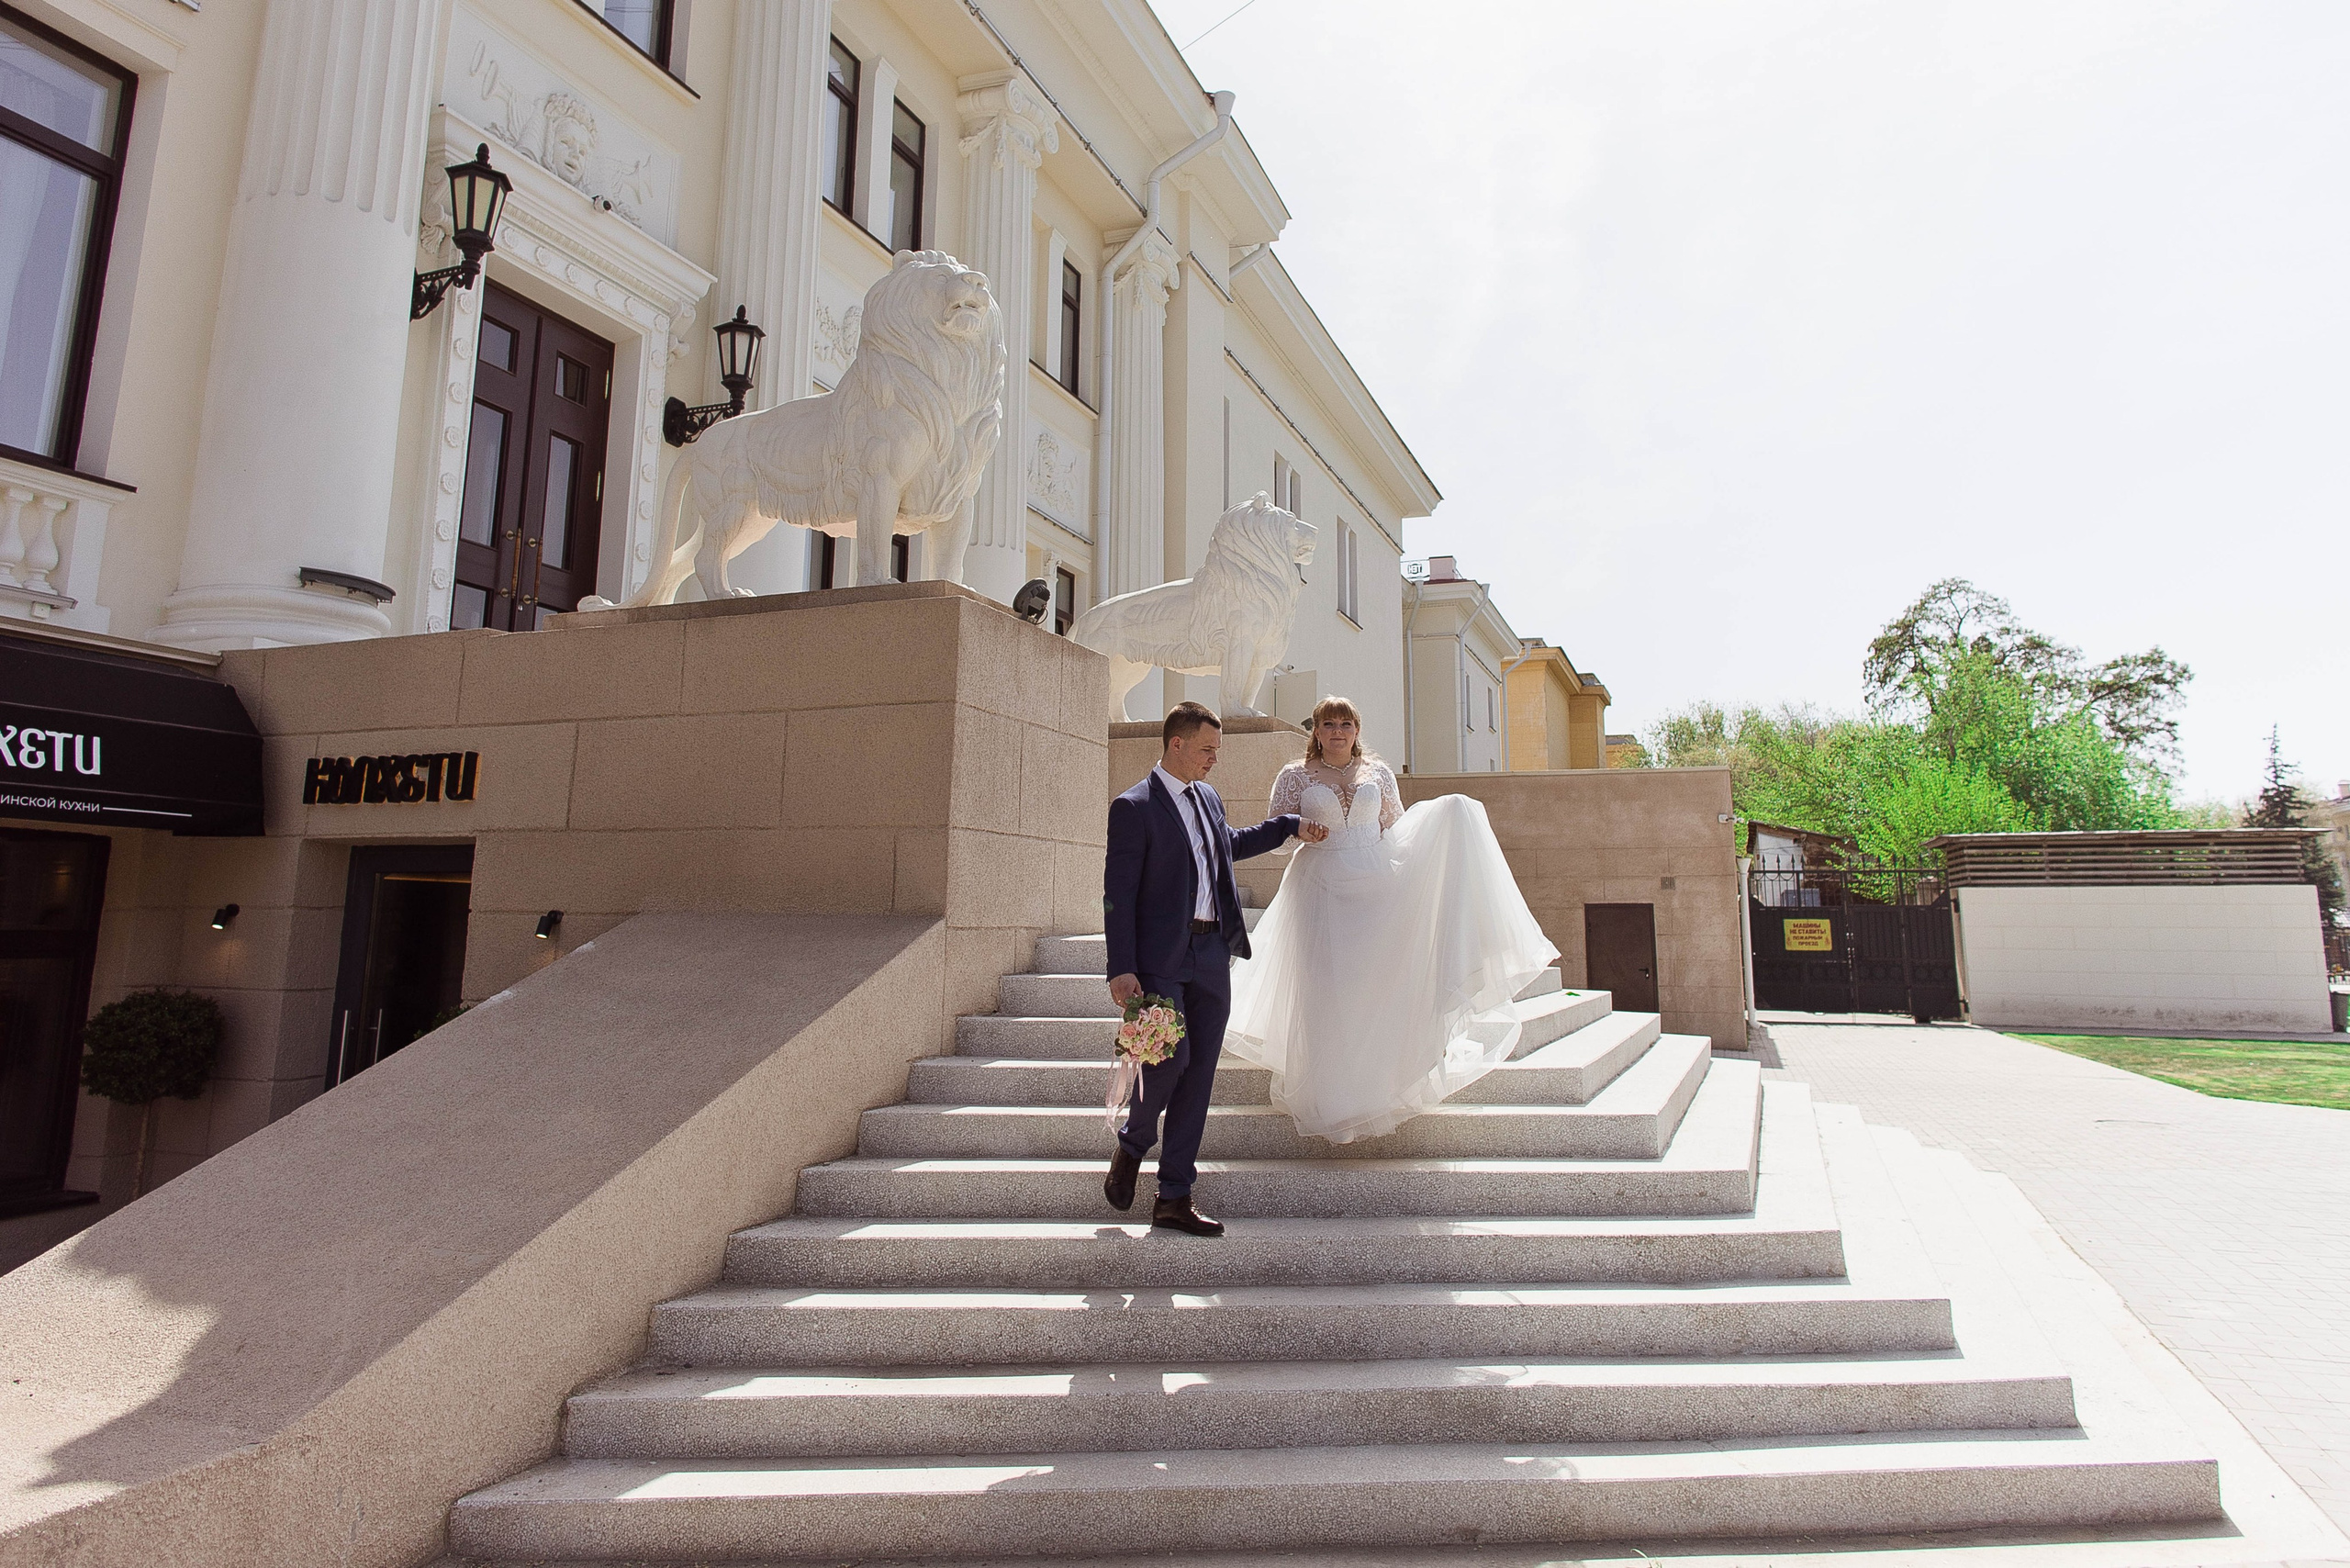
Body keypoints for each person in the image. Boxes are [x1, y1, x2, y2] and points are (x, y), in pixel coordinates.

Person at [1225, 696, 1559, 1143]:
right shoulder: (1294, 776)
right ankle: (1330, 1094)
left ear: (1357, 730)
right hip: (1318, 888)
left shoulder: (1378, 774)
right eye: (1329, 724)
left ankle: (1376, 1085)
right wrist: (1299, 830)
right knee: (1323, 989)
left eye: (1346, 723)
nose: (1338, 731)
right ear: (1317, 731)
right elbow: (1278, 837)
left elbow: (1396, 830)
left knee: (1371, 986)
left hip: (1374, 886)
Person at [1102, 701, 1329, 1236]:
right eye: (1207, 749)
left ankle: (1174, 1197)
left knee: (1200, 1076)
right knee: (1169, 1062)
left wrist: (1290, 826)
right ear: (1176, 743)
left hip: (1211, 957)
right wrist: (1120, 967)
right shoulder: (1133, 807)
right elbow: (1118, 894)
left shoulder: (1207, 798)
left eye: (1217, 751)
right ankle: (1133, 1145)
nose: (1213, 760)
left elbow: (1227, 846)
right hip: (1160, 963)